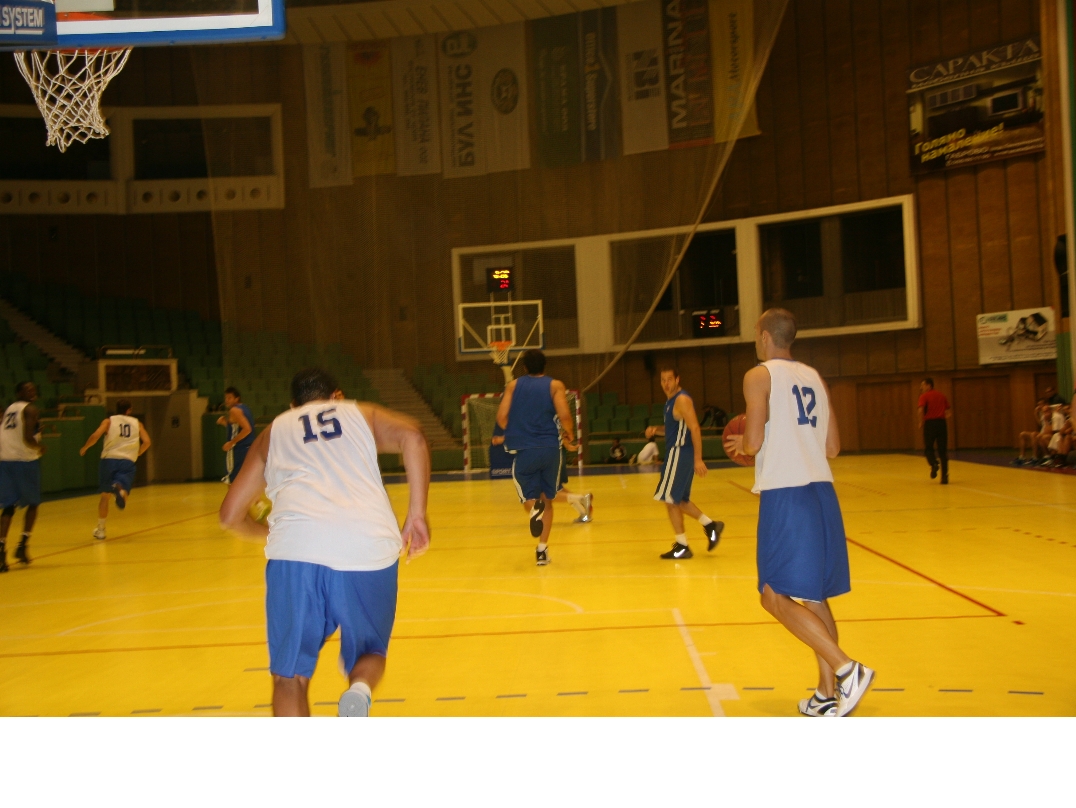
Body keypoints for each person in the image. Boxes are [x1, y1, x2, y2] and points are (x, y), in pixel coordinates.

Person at [219, 368, 430, 718]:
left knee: (289, 678)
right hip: (367, 546)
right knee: (371, 652)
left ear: (293, 406)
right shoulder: (359, 413)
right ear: (337, 397)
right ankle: (359, 690)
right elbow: (414, 438)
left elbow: (229, 516)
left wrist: (269, 534)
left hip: (296, 552)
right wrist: (417, 514)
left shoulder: (274, 431)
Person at [724, 308, 874, 718]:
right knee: (814, 598)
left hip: (786, 494)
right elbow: (833, 447)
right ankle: (826, 694)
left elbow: (753, 441)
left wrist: (741, 445)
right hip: (822, 493)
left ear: (765, 336)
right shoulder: (814, 376)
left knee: (773, 595)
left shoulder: (759, 376)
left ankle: (847, 669)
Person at [496, 349, 576, 566]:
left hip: (526, 450)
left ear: (524, 368)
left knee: (529, 498)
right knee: (547, 500)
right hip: (551, 450)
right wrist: (569, 433)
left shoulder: (513, 386)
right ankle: (542, 551)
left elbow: (501, 417)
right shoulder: (555, 385)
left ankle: (533, 509)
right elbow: (565, 415)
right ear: (545, 366)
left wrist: (516, 430)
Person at [648, 367, 723, 559]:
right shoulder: (671, 402)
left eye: (669, 379)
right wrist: (656, 430)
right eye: (663, 380)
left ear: (677, 379)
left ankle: (682, 546)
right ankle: (710, 525)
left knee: (670, 499)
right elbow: (674, 428)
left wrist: (698, 458)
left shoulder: (681, 399)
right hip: (680, 452)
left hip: (680, 451)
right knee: (680, 500)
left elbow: (695, 428)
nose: (666, 383)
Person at [79, 398, 152, 540]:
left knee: (104, 496)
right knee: (124, 489)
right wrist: (138, 453)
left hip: (109, 460)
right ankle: (120, 489)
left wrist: (85, 447)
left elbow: (95, 436)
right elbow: (147, 442)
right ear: (129, 410)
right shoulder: (137, 423)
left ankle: (101, 530)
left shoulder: (109, 421)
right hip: (128, 461)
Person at [493, 426, 592, 522]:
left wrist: (501, 439)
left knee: (544, 494)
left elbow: (520, 432)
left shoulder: (525, 418)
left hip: (537, 453)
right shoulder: (547, 418)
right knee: (558, 489)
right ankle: (583, 512)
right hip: (554, 453)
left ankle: (581, 499)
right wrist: (566, 443)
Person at [0, 382, 46, 573]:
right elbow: (27, 438)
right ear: (19, 392)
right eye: (28, 389)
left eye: (34, 389)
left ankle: (1, 550)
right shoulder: (30, 409)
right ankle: (22, 545)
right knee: (33, 503)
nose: (32, 391)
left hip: (5, 460)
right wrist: (40, 447)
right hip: (24, 461)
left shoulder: (10, 409)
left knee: (8, 506)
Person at [917, 378, 951, 484]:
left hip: (930, 424)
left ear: (929, 385)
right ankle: (944, 477)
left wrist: (921, 421)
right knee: (943, 451)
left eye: (923, 385)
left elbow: (920, 410)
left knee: (928, 448)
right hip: (941, 424)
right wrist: (943, 416)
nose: (921, 387)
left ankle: (934, 464)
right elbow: (948, 411)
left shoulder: (924, 396)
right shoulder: (942, 395)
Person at [217, 387, 254, 483]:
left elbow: (247, 429)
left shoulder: (234, 410)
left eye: (229, 398)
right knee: (245, 479)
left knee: (232, 479)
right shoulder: (245, 408)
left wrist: (231, 443)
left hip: (238, 449)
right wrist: (225, 423)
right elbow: (237, 428)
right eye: (226, 398)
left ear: (237, 398)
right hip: (248, 448)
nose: (226, 400)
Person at [1014, 399, 1050, 465]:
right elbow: (1041, 424)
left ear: (1046, 404)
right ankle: (1022, 457)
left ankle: (1035, 457)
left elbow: (1050, 427)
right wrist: (1036, 414)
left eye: (1041, 404)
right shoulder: (1042, 413)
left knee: (1033, 434)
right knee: (1022, 434)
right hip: (1042, 432)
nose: (1039, 406)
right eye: (1038, 405)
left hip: (1046, 433)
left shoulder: (1050, 413)